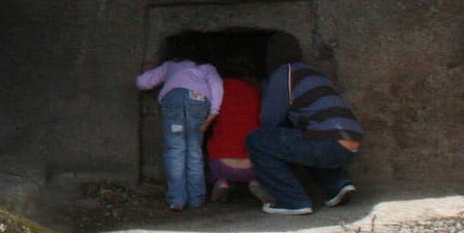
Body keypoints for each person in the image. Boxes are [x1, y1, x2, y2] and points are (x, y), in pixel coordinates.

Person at [245, 60, 363, 215]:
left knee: (257, 140)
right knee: (301, 139)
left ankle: (292, 201)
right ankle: (337, 186)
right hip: (351, 142)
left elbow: (269, 120)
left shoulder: (285, 74)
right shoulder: (312, 73)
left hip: (327, 143)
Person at [135, 57, 224, 210]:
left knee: (175, 150)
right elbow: (216, 85)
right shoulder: (207, 67)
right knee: (194, 151)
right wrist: (213, 113)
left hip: (173, 100)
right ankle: (196, 199)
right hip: (198, 101)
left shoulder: (170, 66)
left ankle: (176, 200)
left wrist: (149, 71)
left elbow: (142, 83)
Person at [204, 74, 262, 202]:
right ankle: (256, 182)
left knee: (215, 139)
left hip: (223, 164)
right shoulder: (255, 91)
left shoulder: (216, 93)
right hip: (255, 165)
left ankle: (222, 182)